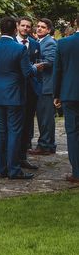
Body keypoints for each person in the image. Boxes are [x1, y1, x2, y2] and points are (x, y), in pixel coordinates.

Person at [0, 17, 37, 180]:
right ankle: (14, 169)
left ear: (0, 29)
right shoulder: (19, 49)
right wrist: (36, 67)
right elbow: (27, 72)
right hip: (14, 95)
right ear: (15, 29)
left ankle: (1, 169)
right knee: (14, 132)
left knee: (0, 131)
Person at [53, 25, 79, 184]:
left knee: (73, 133)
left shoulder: (63, 43)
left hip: (70, 93)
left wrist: (57, 95)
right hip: (70, 94)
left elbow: (58, 71)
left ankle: (77, 172)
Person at [16, 16, 41, 169]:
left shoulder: (35, 44)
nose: (25, 28)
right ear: (18, 26)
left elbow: (38, 62)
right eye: (23, 25)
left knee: (28, 123)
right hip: (15, 88)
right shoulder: (11, 43)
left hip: (31, 89)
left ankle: (23, 156)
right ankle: (13, 155)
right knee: (15, 123)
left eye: (28, 26)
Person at [29, 18, 57, 156]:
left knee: (45, 117)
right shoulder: (39, 42)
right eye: (38, 26)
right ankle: (48, 144)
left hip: (46, 84)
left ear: (49, 30)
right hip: (40, 84)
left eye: (43, 27)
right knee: (43, 116)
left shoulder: (50, 42)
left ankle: (45, 145)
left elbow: (50, 61)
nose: (39, 28)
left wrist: (36, 65)